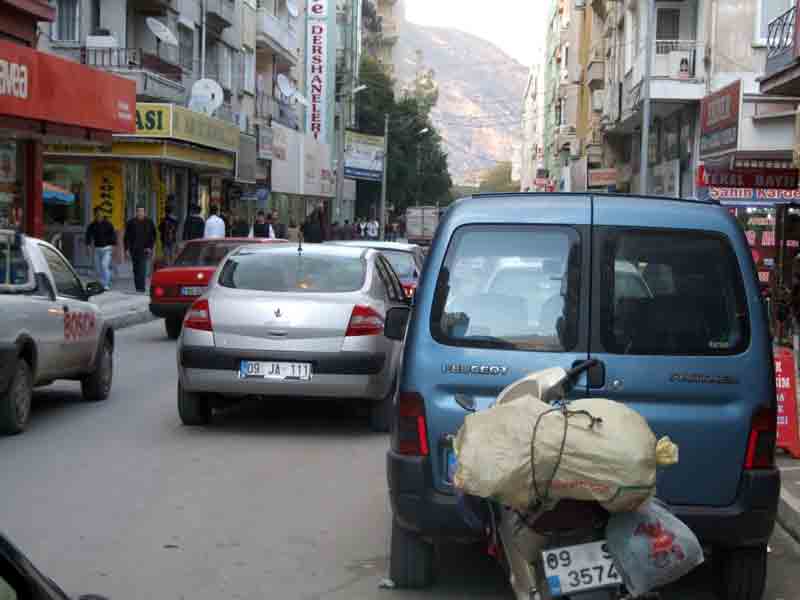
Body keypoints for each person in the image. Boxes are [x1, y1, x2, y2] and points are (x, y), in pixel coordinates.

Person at [124, 206, 157, 293]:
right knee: (135, 269)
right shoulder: (131, 222)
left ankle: (141, 288)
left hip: (144, 249)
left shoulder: (149, 222)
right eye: (138, 211)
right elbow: (126, 237)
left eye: (142, 211)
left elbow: (153, 236)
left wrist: (150, 247)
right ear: (136, 212)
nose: (140, 213)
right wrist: (126, 249)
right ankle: (138, 286)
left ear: (145, 212)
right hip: (133, 249)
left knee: (142, 268)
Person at [85, 208, 117, 291]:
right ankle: (107, 276)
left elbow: (113, 235)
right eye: (97, 214)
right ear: (95, 215)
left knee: (104, 265)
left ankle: (105, 284)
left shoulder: (108, 224)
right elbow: (88, 235)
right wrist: (88, 246)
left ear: (102, 214)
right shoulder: (92, 225)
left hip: (107, 249)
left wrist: (113, 246)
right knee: (98, 268)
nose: (99, 215)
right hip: (97, 249)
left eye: (100, 214)